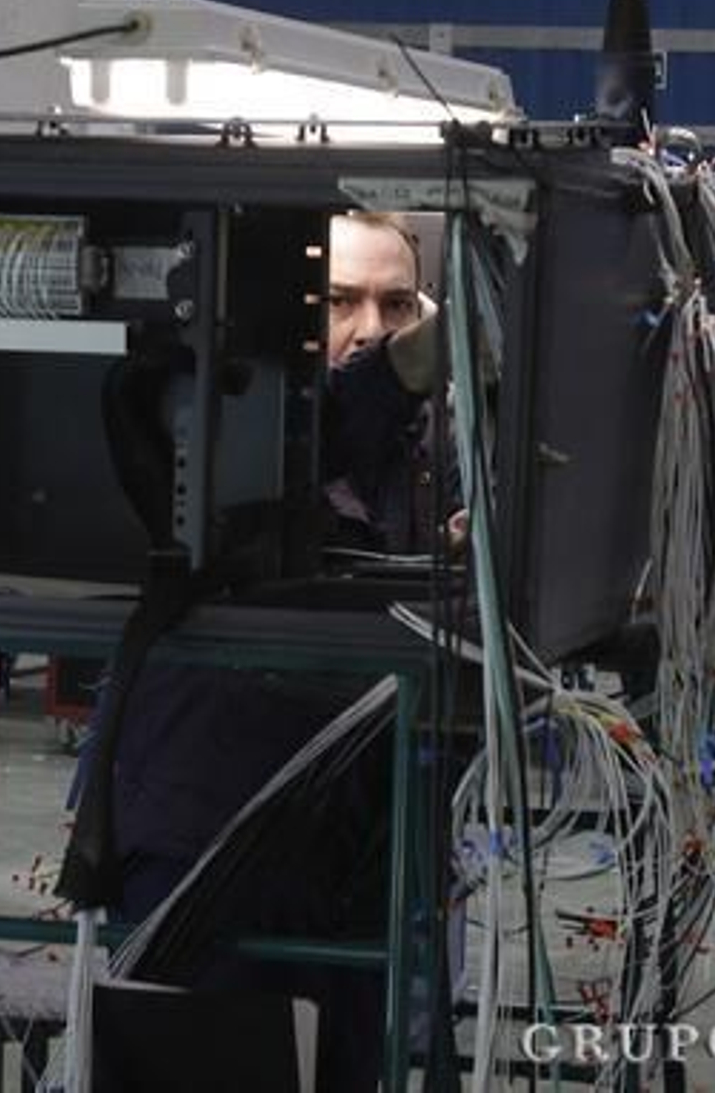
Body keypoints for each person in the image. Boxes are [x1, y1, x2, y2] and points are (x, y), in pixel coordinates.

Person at [107, 211, 448, 1092]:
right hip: (214, 838)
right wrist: (411, 367)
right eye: (338, 300)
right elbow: (318, 432)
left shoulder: (425, 452)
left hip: (364, 848)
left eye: (397, 305)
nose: (371, 327)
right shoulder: (216, 421)